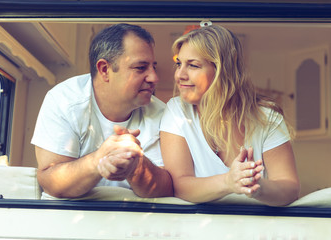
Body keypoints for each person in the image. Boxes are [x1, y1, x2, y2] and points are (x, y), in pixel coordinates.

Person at [160, 25, 300, 206]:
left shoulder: (268, 119)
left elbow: (290, 188)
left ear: (223, 71)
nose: (179, 74)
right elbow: (179, 186)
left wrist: (257, 187)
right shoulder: (176, 111)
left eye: (193, 65)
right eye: (179, 64)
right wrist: (229, 181)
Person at [31, 23, 173, 199]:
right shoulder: (64, 100)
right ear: (105, 70)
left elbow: (168, 188)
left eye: (153, 67)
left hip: (133, 221)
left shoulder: (163, 114)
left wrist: (136, 166)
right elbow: (50, 182)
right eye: (140, 68)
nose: (154, 78)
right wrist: (99, 160)